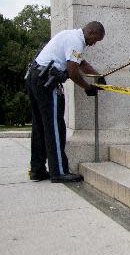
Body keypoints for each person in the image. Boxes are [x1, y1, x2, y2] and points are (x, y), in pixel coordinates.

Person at [25, 21, 106, 182]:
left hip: (35, 77)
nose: (94, 43)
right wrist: (88, 88)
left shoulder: (70, 36)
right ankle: (59, 172)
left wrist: (99, 77)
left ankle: (37, 169)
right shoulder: (76, 41)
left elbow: (82, 64)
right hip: (46, 81)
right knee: (55, 127)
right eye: (95, 39)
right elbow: (73, 72)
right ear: (89, 31)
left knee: (40, 126)